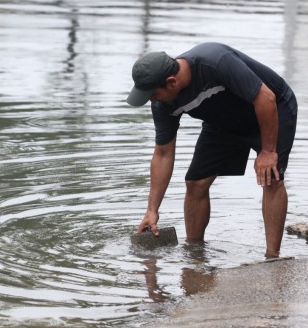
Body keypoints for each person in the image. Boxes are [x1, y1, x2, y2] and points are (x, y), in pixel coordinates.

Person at [126, 42, 297, 258]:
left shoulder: (215, 62)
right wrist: (152, 210)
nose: (152, 100)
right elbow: (163, 154)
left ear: (171, 82)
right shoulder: (163, 104)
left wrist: (268, 152)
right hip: (222, 122)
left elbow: (266, 98)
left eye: (153, 94)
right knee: (195, 183)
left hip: (272, 108)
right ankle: (195, 255)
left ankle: (272, 258)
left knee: (270, 178)